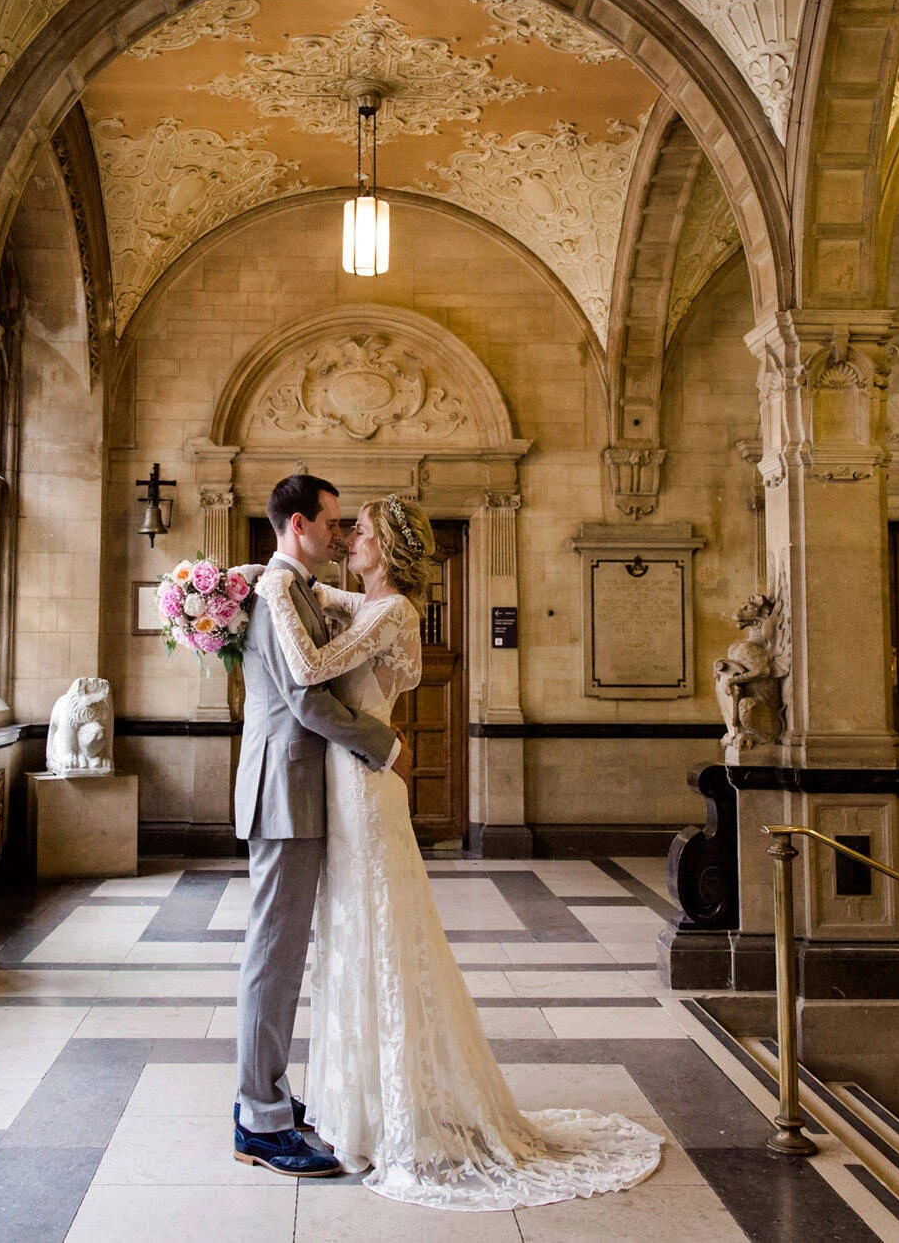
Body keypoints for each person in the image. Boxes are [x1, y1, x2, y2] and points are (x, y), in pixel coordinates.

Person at [252, 494, 663, 1210]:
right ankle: (359, 1105)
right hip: (341, 785)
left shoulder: (396, 612)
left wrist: (270, 589)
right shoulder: (369, 601)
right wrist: (271, 576)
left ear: (391, 548)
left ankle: (392, 1111)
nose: (351, 538)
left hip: (361, 784)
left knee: (378, 932)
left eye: (365, 532)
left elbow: (312, 665)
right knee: (349, 935)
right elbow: (321, 590)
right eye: (347, 528)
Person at [230, 474, 400, 1178]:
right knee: (273, 954)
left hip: (297, 788)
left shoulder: (295, 587)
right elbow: (304, 700)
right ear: (298, 523)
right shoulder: (275, 592)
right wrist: (383, 743)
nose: (338, 535)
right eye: (332, 522)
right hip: (284, 790)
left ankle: (265, 1096)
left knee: (283, 950)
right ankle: (260, 1120)